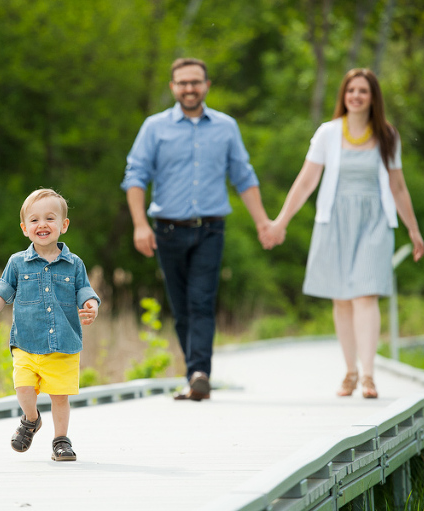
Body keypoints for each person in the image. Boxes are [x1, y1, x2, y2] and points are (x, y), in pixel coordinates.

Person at [261, 68, 424, 399]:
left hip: (375, 221)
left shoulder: (388, 136)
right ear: (344, 95)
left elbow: (398, 186)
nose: (356, 96)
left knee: (366, 294)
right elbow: (306, 181)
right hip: (334, 219)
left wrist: (413, 229)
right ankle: (350, 371)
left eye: (363, 91)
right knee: (341, 297)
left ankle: (368, 376)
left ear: (373, 97)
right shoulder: (328, 133)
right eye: (351, 90)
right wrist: (280, 221)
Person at [121, 57, 271, 401]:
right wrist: (140, 225)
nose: (189, 88)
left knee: (202, 300)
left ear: (207, 86)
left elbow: (244, 176)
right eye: (182, 82)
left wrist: (263, 221)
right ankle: (194, 373)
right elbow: (135, 176)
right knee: (181, 305)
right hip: (167, 231)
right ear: (173, 87)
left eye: (196, 82)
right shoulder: (154, 128)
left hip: (210, 230)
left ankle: (200, 372)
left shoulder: (226, 127)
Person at [0, 188, 100, 461]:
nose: (42, 225)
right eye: (34, 220)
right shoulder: (17, 263)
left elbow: (85, 291)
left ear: (64, 225)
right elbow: (2, 290)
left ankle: (61, 440)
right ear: (25, 228)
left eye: (50, 218)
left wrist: (91, 306)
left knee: (60, 397)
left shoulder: (74, 264)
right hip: (26, 342)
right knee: (23, 388)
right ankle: (31, 418)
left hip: (63, 345)